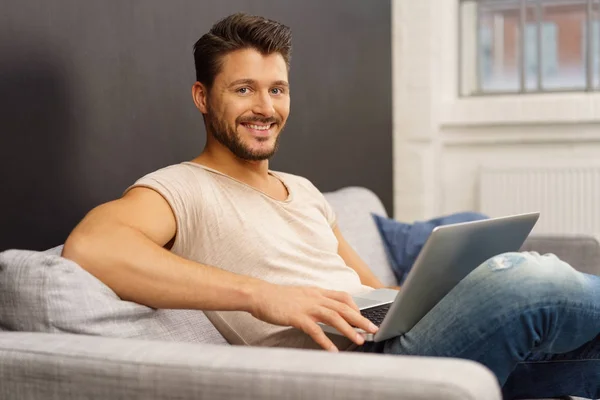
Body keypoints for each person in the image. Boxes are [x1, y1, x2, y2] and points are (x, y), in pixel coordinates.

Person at [62, 13, 600, 399]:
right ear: (203, 97)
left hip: (390, 338)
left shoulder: (306, 191)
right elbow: (92, 245)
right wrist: (264, 297)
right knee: (522, 277)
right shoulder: (180, 188)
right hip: (357, 371)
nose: (265, 108)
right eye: (244, 89)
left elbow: (375, 291)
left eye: (278, 90)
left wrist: (441, 293)